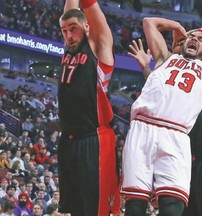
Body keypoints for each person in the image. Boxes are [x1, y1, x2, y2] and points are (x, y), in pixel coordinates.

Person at [127, 23, 202, 215]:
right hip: (184, 157)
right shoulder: (187, 77)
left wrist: (196, 33)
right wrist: (146, 69)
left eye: (201, 42)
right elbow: (162, 93)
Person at [58, 0, 121, 215]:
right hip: (68, 139)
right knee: (75, 208)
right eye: (64, 31)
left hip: (94, 138)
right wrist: (70, 23)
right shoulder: (70, 46)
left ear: (86, 27)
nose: (68, 34)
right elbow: (71, 12)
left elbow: (89, 11)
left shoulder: (98, 46)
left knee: (96, 208)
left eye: (73, 29)